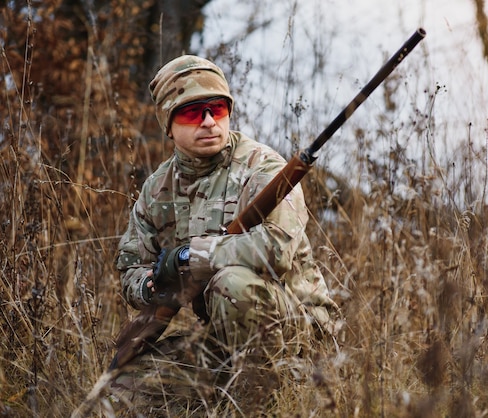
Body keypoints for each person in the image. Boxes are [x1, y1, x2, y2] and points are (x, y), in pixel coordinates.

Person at [112, 55, 339, 414]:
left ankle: (268, 402)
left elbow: (275, 250)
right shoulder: (157, 189)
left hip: (299, 335)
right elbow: (130, 268)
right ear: (167, 125)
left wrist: (189, 258)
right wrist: (154, 284)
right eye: (191, 113)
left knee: (231, 283)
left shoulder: (265, 168)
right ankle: (226, 399)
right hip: (223, 339)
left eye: (217, 109)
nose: (208, 122)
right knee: (125, 389)